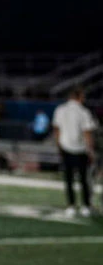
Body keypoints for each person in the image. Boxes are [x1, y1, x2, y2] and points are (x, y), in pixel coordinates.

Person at [52, 88, 97, 217]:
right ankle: (86, 206)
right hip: (81, 149)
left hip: (65, 147)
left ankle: (71, 205)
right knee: (84, 179)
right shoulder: (83, 112)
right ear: (79, 96)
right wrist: (91, 150)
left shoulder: (60, 110)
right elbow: (87, 132)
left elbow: (56, 129)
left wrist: (59, 145)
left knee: (69, 179)